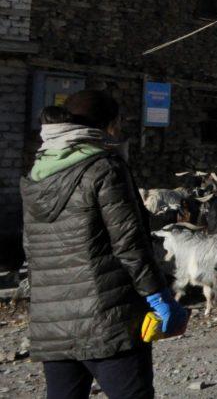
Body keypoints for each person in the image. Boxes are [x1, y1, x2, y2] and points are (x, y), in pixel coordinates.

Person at [22, 90, 187, 399]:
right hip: (107, 318)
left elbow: (31, 249)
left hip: (52, 321)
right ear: (110, 125)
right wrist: (158, 295)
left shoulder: (36, 172)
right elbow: (130, 244)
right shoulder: (105, 168)